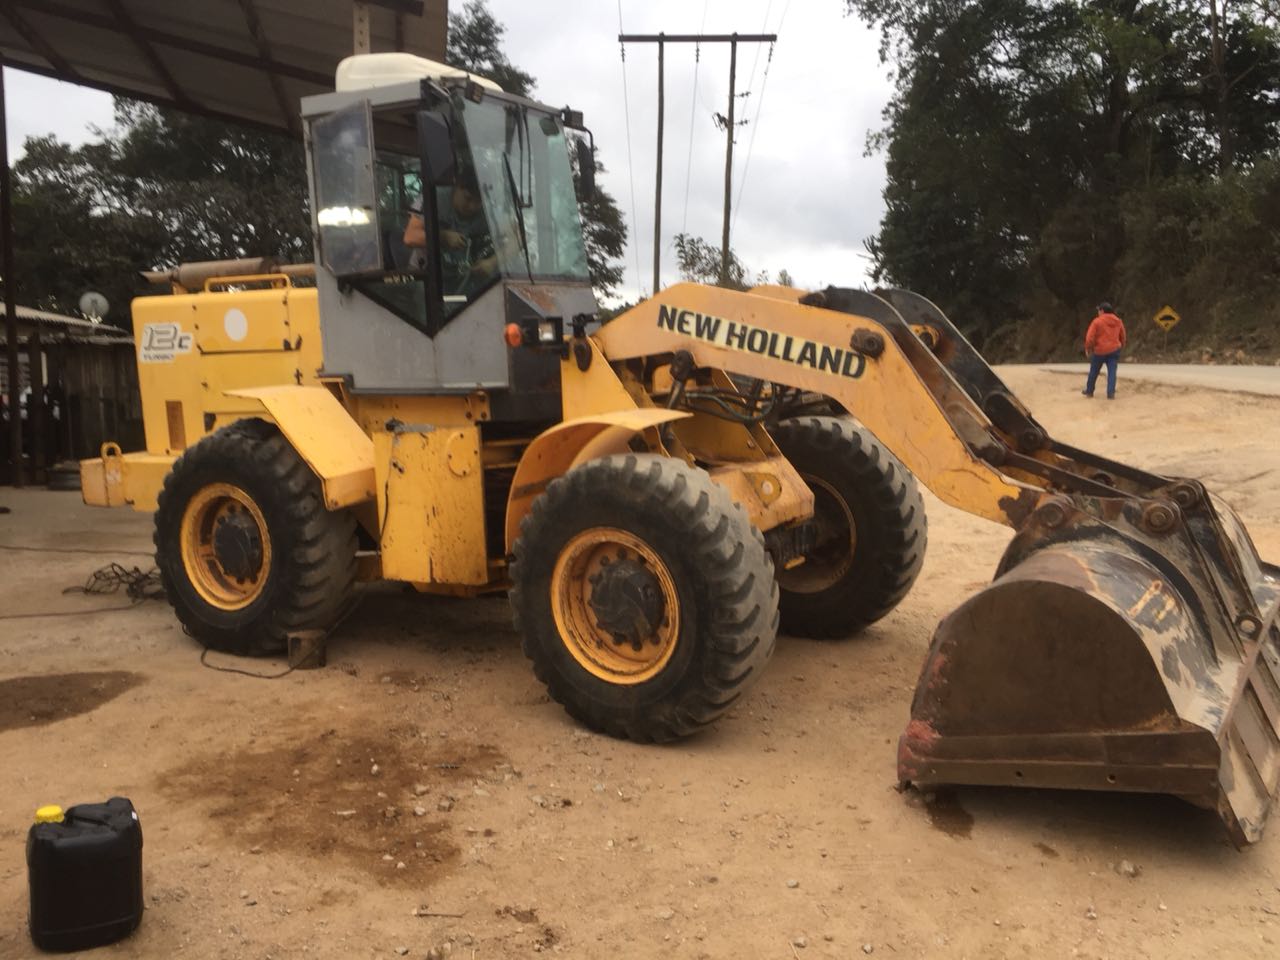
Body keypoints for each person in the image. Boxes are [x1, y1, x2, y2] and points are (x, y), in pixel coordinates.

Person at [402, 171, 497, 296]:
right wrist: (442, 237)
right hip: (426, 275)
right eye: (468, 198)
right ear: (456, 187)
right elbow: (410, 237)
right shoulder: (432, 197)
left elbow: (516, 236)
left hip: (464, 279)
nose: (472, 207)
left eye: (478, 202)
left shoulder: (489, 209)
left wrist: (492, 262)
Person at [1082, 301, 1126, 399]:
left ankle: (1089, 391)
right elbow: (1122, 335)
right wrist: (1122, 344)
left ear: (1102, 311)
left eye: (1099, 310)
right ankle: (1111, 393)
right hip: (1114, 349)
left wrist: (1088, 348)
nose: (1098, 312)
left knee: (1094, 371)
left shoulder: (1097, 321)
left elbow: (1090, 337)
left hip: (1100, 350)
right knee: (1112, 372)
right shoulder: (1118, 321)